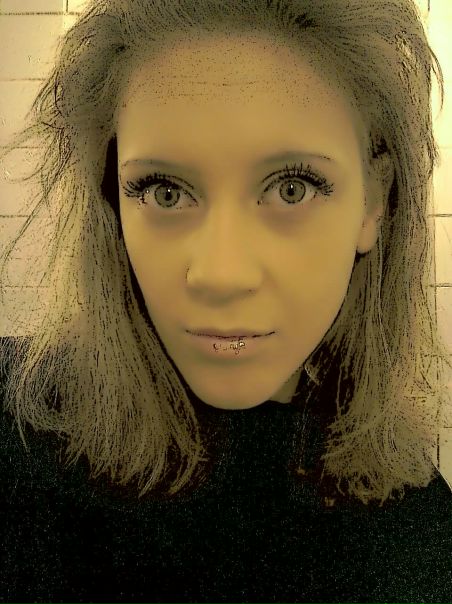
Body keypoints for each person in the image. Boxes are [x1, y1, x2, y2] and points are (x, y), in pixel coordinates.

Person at [0, 0, 451, 601]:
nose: (220, 274)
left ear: (373, 202)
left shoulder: (419, 538)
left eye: (292, 188)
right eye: (164, 192)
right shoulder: (15, 428)